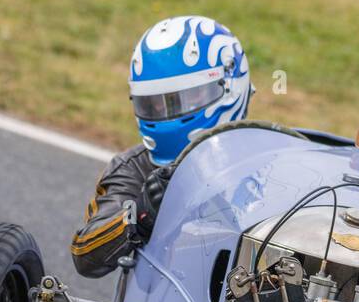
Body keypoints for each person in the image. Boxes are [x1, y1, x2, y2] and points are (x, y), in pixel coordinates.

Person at [70, 15, 253, 278]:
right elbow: (86, 257)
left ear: (229, 86)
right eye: (154, 104)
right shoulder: (134, 168)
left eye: (183, 100)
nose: (166, 114)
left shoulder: (269, 158)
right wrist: (139, 216)